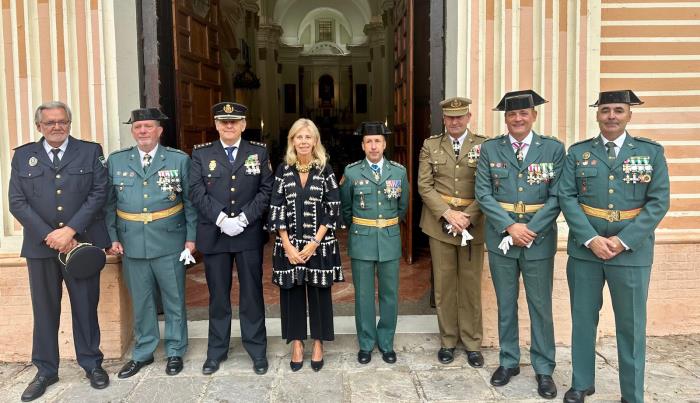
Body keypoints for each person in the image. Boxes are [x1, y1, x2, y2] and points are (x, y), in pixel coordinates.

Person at [559, 90, 669, 403]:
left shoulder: (650, 153)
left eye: (618, 110)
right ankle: (581, 383)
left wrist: (622, 241)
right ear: (597, 114)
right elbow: (567, 197)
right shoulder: (578, 153)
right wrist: (591, 239)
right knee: (582, 318)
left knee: (631, 325)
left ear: (629, 115)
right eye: (605, 110)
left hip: (631, 253)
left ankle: (632, 394)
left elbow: (659, 202)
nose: (611, 116)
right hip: (585, 251)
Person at [9, 101, 111, 401]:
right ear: (39, 126)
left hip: (80, 245)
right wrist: (49, 235)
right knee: (44, 311)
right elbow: (17, 201)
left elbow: (99, 193)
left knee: (85, 306)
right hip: (41, 249)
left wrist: (70, 231)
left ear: (70, 122)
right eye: (50, 122)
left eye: (62, 121)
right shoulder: (24, 155)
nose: (57, 126)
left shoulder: (90, 151)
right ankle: (45, 370)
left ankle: (92, 364)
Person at [474, 90, 564, 399]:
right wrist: (510, 226)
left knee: (540, 306)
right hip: (502, 238)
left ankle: (543, 368)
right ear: (506, 118)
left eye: (523, 113)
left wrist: (530, 230)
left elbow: (557, 196)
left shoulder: (552, 149)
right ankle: (509, 361)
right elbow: (483, 193)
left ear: (534, 116)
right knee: (505, 303)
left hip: (538, 241)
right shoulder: (490, 149)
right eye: (512, 115)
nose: (518, 119)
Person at [104, 108, 197, 378]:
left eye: (148, 126)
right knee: (141, 300)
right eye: (138, 127)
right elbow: (108, 205)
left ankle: (176, 350)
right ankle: (143, 352)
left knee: (174, 299)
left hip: (170, 240)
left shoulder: (179, 160)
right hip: (131, 242)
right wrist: (112, 237)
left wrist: (191, 239)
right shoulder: (117, 161)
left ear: (159, 130)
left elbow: (190, 203)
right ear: (133, 131)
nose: (142, 131)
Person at [189, 101, 273, 375]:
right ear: (216, 125)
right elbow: (196, 191)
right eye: (223, 121)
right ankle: (216, 351)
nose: (229, 125)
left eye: (234, 121)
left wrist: (244, 219)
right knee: (218, 296)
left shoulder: (258, 152)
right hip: (215, 234)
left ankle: (257, 350)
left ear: (243, 125)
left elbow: (266, 189)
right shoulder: (201, 154)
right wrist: (222, 219)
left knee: (252, 294)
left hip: (248, 233)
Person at [268, 118, 343, 372]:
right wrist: (287, 245)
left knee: (320, 294)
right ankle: (297, 343)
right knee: (292, 293)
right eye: (298, 137)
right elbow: (276, 207)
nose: (303, 142)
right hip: (289, 245)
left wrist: (314, 242)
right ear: (292, 141)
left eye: (308, 137)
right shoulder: (283, 170)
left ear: (315, 141)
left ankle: (319, 342)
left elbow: (333, 207)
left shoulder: (326, 170)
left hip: (318, 245)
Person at [417, 96, 488, 367]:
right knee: (444, 286)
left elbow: (489, 186)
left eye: (460, 117)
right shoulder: (430, 145)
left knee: (470, 286)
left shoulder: (484, 145)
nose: (455, 122)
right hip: (440, 225)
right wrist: (448, 214)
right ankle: (447, 340)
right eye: (450, 117)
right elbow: (425, 185)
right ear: (444, 119)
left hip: (473, 225)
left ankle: (472, 343)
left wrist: (467, 217)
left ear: (468, 117)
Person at [339, 122, 409, 365]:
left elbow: (402, 208)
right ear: (362, 145)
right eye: (368, 141)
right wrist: (362, 228)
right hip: (362, 240)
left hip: (389, 239)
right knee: (364, 296)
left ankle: (387, 342)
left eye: (377, 141)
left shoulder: (398, 172)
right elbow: (346, 210)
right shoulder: (351, 172)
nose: (373, 146)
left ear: (385, 143)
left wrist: (387, 225)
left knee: (390, 294)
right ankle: (366, 343)